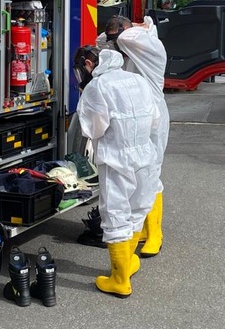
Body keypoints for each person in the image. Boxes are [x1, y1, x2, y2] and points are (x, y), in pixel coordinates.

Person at [74, 45, 159, 298]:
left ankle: (119, 279)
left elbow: (92, 129)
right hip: (145, 155)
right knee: (137, 209)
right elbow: (154, 118)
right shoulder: (137, 80)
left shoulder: (97, 87)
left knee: (115, 214)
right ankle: (128, 261)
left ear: (89, 64)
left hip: (116, 158)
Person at [97, 15, 168, 258]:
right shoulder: (126, 47)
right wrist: (115, 35)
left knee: (151, 172)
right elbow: (101, 42)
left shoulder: (151, 48)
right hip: (130, 118)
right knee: (137, 177)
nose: (117, 44)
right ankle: (138, 228)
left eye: (119, 37)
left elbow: (127, 35)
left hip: (152, 117)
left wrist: (140, 26)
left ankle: (155, 233)